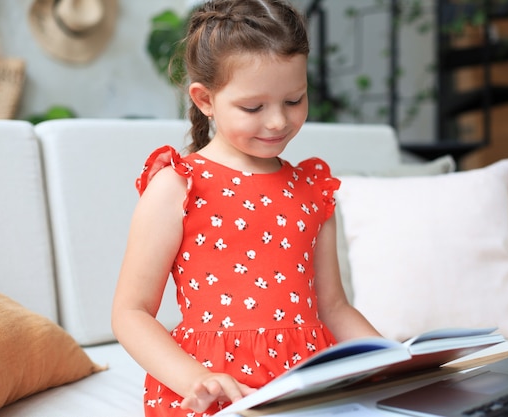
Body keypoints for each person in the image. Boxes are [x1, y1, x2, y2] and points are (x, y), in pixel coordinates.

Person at [111, 0, 381, 415]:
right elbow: (131, 312)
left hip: (308, 384)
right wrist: (193, 379)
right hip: (218, 390)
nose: (278, 121)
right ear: (204, 99)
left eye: (294, 100)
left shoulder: (312, 189)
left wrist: (389, 359)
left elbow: (334, 307)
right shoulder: (177, 185)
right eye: (254, 107)